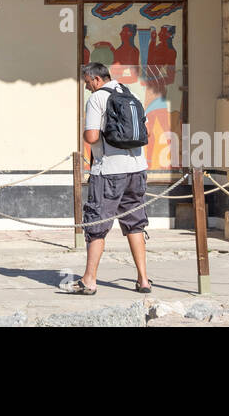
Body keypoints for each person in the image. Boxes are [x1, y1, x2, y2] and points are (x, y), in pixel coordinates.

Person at [67, 62, 153, 294]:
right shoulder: (131, 94)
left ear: (95, 79)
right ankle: (143, 280)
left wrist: (88, 133)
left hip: (109, 171)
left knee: (97, 224)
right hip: (137, 168)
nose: (87, 88)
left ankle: (89, 280)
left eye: (87, 83)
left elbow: (93, 136)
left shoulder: (97, 99)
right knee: (135, 223)